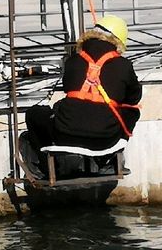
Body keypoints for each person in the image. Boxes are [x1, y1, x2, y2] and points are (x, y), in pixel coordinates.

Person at [23, 14, 141, 172]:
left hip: (65, 135)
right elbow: (134, 97)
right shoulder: (124, 65)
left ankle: (45, 166)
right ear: (118, 42)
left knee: (34, 113)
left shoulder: (73, 61)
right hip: (106, 139)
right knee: (132, 110)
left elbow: (68, 88)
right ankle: (111, 159)